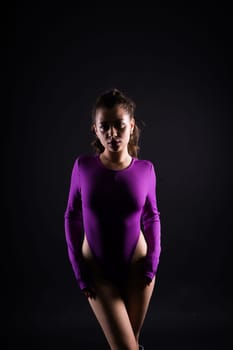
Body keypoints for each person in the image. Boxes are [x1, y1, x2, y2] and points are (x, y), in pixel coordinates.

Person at [64, 88, 161, 350]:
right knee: (126, 346)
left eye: (118, 125)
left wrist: (153, 259)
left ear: (131, 125)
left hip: (137, 264)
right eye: (104, 127)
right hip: (96, 268)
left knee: (132, 342)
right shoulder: (83, 167)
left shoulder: (146, 170)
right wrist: (79, 270)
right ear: (95, 130)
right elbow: (72, 215)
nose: (112, 133)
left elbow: (152, 216)